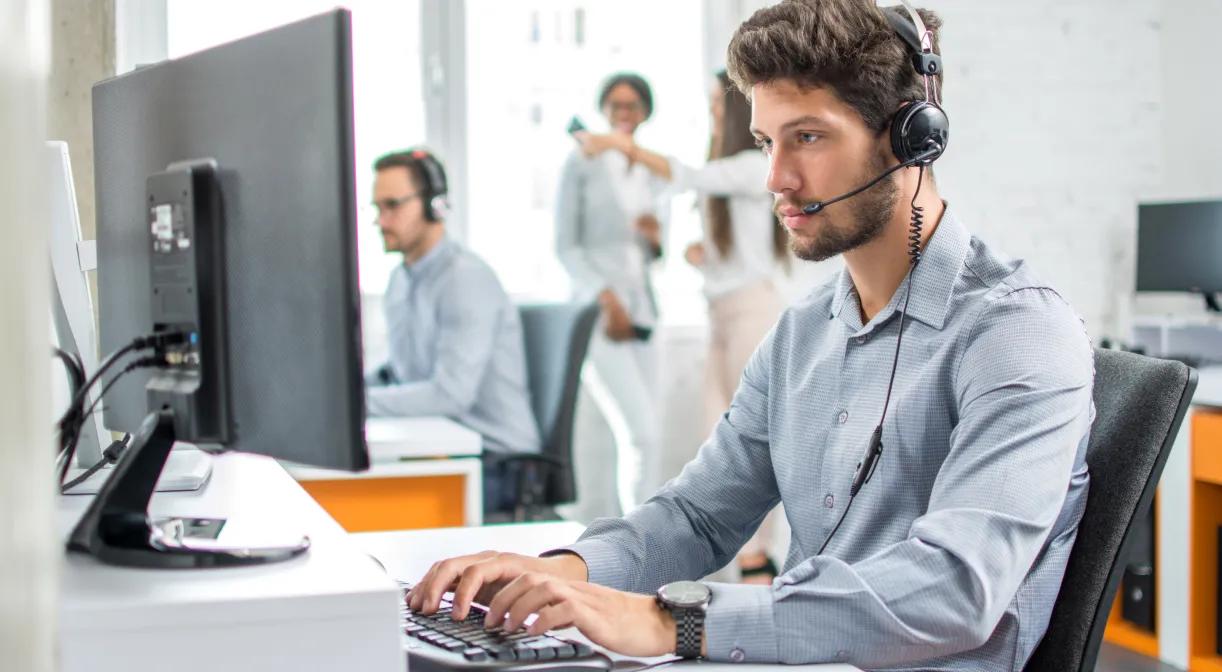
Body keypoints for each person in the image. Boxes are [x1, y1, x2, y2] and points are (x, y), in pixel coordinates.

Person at [407, 2, 1095, 669]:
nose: (776, 179)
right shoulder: (802, 333)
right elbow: (699, 515)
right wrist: (560, 571)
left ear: (910, 136)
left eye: (809, 137)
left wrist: (669, 620)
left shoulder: (1016, 332)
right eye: (768, 142)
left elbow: (956, 590)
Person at [580, 70, 793, 584]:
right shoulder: (731, 169)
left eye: (718, 104)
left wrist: (617, 146)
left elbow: (687, 175)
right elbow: (727, 237)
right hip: (721, 315)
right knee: (716, 445)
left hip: (753, 315)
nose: (713, 114)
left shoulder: (752, 164)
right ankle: (742, 564)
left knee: (760, 446)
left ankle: (760, 563)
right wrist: (703, 257)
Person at [364, 148, 540, 513]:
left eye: (392, 205)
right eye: (377, 208)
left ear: (435, 205)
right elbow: (398, 373)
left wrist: (354, 407)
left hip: (497, 464)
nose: (381, 220)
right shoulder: (400, 280)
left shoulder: (465, 279)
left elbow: (449, 395)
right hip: (440, 447)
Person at [555, 72, 669, 514]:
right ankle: (636, 544)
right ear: (603, 109)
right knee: (638, 431)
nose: (624, 115)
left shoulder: (650, 170)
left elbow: (654, 256)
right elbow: (565, 246)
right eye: (616, 106)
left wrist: (656, 239)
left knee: (649, 435)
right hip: (598, 313)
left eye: (632, 107)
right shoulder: (581, 162)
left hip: (645, 312)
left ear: (645, 113)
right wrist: (605, 298)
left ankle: (643, 535)